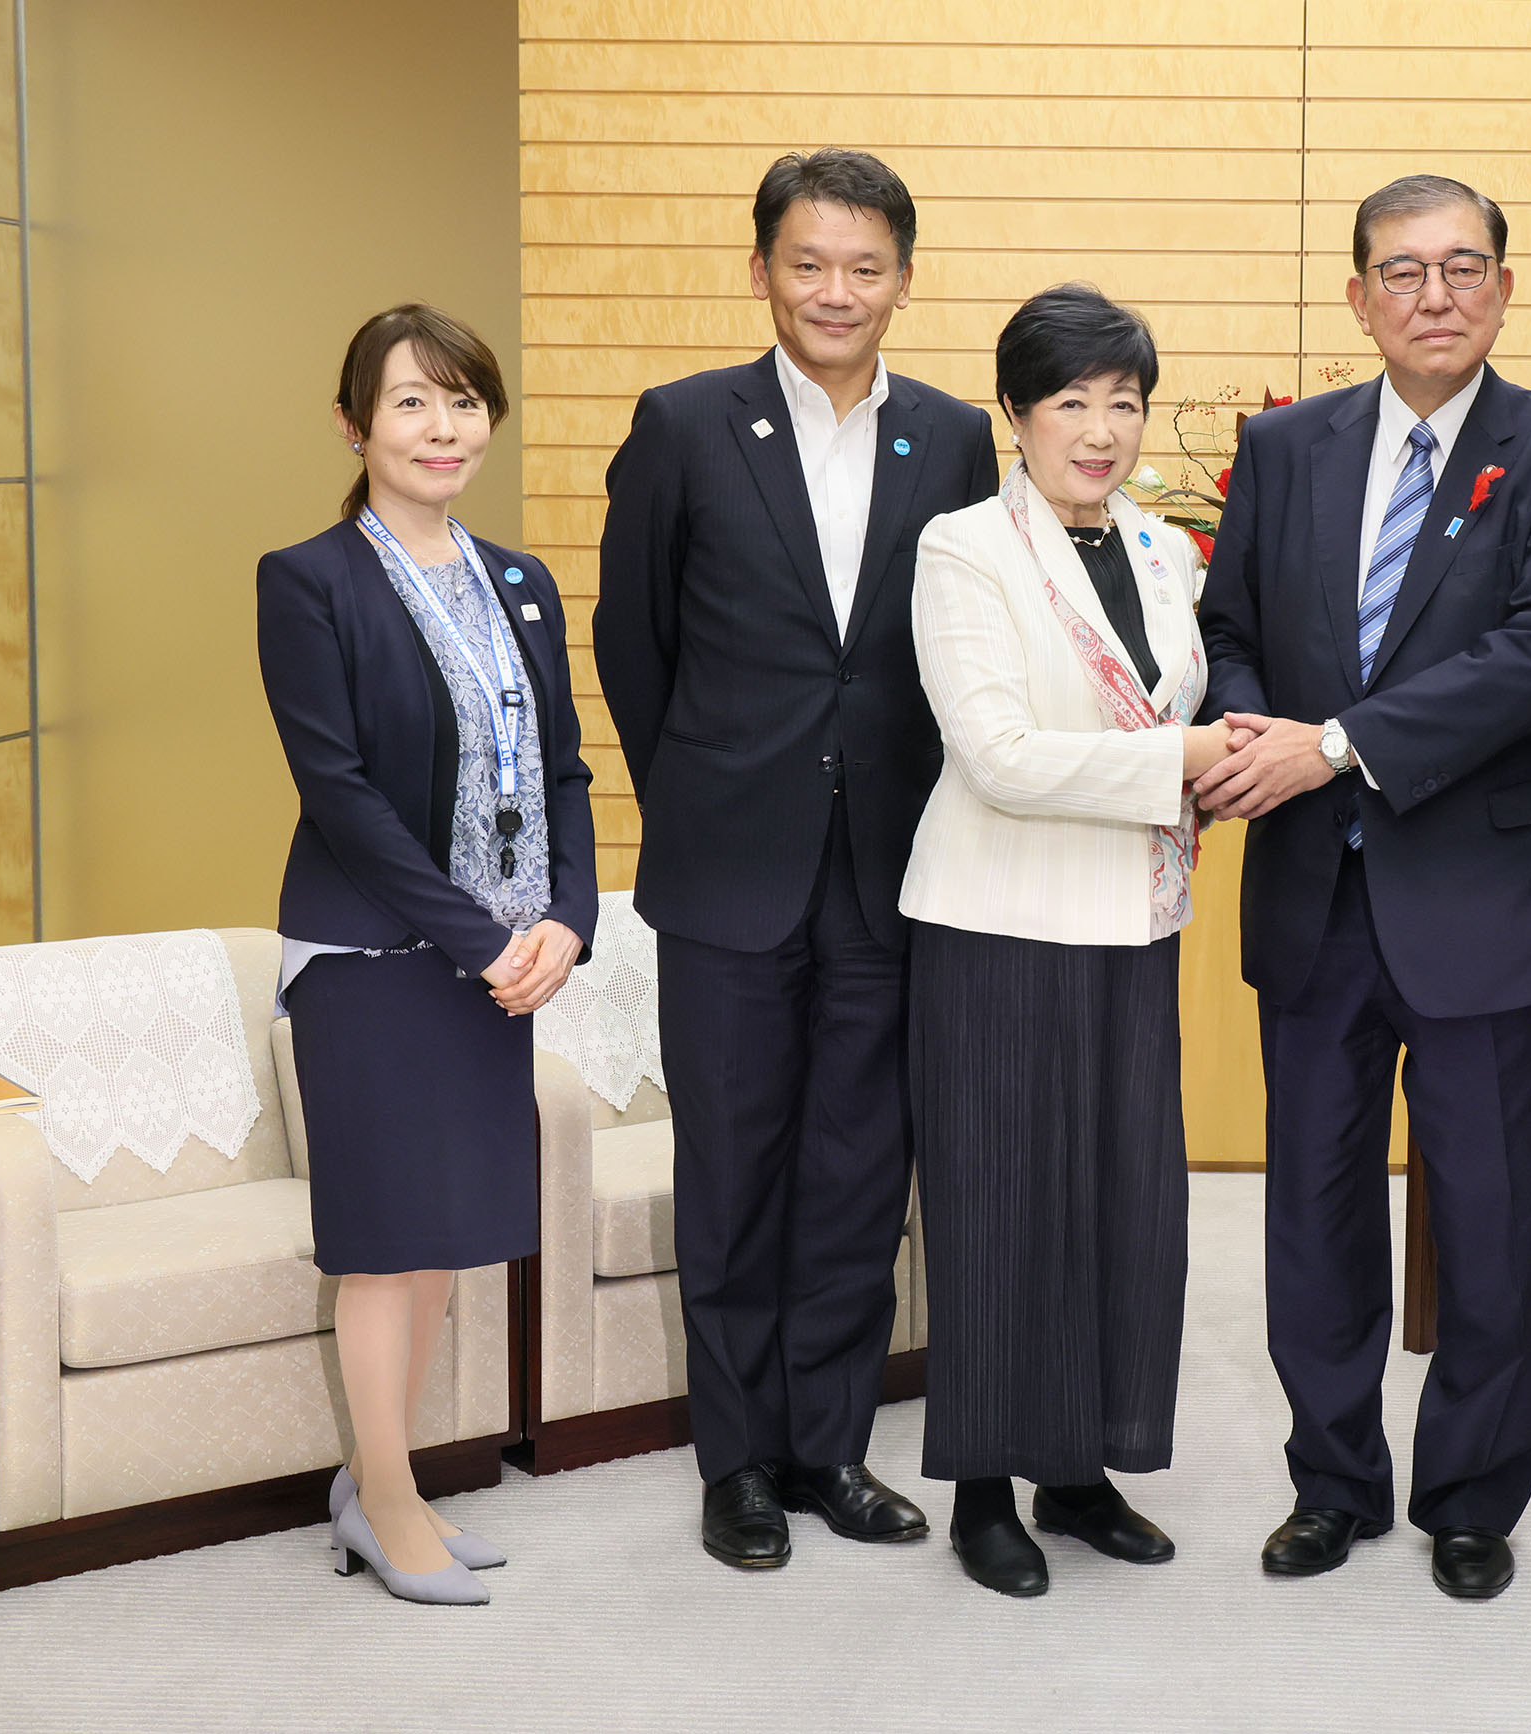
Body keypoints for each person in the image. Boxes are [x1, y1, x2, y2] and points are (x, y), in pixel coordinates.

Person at [1196, 175, 1531, 1601]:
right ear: (1356, 297)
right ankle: (1334, 1482)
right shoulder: (1284, 447)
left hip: (1482, 898)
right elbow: (1231, 624)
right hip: (1315, 897)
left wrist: (1327, 748)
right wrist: (1255, 735)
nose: (1433, 295)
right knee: (1313, 1207)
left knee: (1494, 1213)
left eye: (1462, 268)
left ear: (1504, 285)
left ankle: (1470, 1499)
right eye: (1402, 272)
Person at [595, 149, 999, 1570]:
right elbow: (632, 643)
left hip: (895, 864)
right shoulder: (684, 424)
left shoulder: (950, 438)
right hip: (728, 866)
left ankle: (830, 1446)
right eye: (809, 262)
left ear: (903, 276)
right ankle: (738, 1461)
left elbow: (965, 641)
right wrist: (701, 797)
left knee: (854, 1166)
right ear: (760, 268)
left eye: (866, 264)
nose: (837, 289)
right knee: (736, 1167)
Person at [257, 303, 597, 1605]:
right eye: (410, 401)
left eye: (461, 400)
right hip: (373, 957)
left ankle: (379, 1486)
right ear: (356, 425)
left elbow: (563, 765)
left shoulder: (519, 579)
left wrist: (567, 918)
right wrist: (486, 937)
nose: (441, 425)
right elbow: (340, 794)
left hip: (502, 958)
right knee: (385, 1239)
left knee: (447, 1237)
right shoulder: (309, 580)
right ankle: (386, 1505)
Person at [900, 284, 1226, 1598]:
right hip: (998, 924)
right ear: (1016, 416)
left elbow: (1181, 701)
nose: (1099, 429)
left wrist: (1204, 753)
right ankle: (985, 1487)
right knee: (998, 1208)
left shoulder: (1162, 551)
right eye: (1070, 403)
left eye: (1123, 402)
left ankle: (1081, 1469)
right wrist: (1186, 759)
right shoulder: (964, 549)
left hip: (1132, 920)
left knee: (1120, 1200)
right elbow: (998, 756)